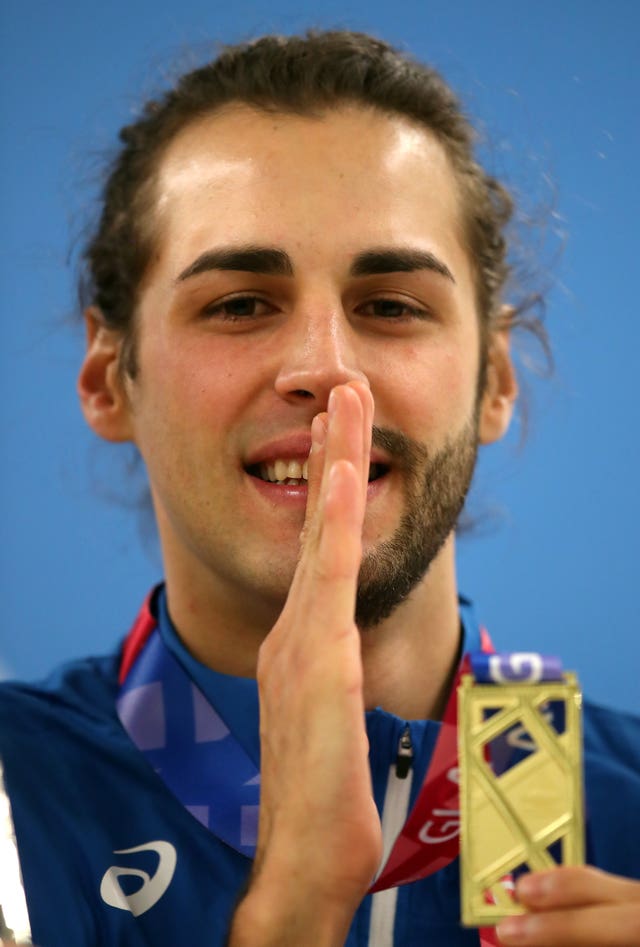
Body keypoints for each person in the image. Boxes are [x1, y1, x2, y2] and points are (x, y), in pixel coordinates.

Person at [1, 30, 639, 947]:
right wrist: (294, 906)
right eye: (239, 304)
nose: (326, 369)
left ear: (496, 379)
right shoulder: (10, 808)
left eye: (390, 305)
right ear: (110, 379)